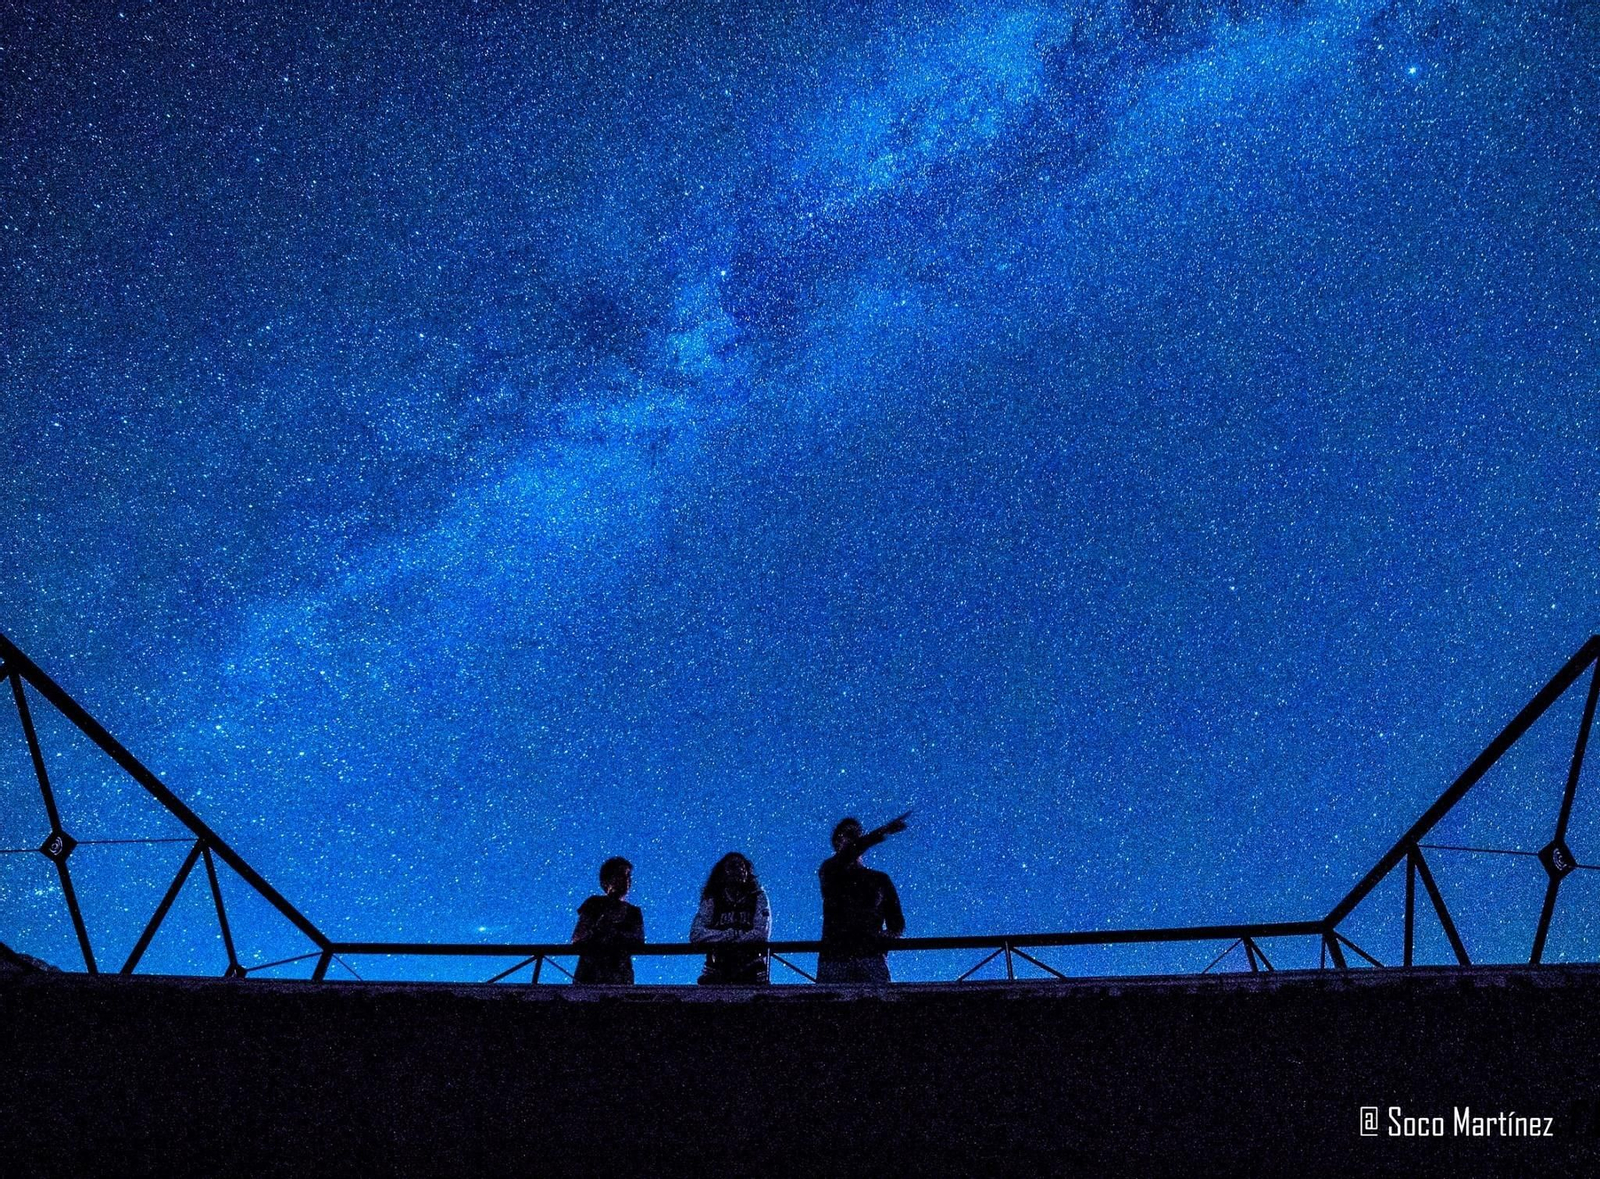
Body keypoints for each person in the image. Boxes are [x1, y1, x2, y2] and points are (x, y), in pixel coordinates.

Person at [817, 812, 908, 984]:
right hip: (834, 959)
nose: (855, 839)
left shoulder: (880, 879)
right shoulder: (829, 871)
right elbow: (850, 853)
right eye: (849, 834)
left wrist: (885, 937)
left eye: (858, 834)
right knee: (829, 1007)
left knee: (876, 1009)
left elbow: (897, 923)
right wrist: (883, 831)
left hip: (871, 959)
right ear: (837, 842)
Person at [689, 852, 772, 985]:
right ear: (723, 872)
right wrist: (727, 935)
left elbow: (761, 933)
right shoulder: (713, 900)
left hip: (752, 969)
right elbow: (696, 934)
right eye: (733, 866)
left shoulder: (758, 897)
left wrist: (734, 939)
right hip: (717, 969)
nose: (739, 870)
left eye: (742, 867)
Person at [571, 856, 644, 985]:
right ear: (607, 880)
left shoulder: (634, 912)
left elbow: (638, 940)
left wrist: (614, 934)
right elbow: (577, 937)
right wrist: (597, 929)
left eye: (628, 876)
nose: (626, 880)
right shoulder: (593, 904)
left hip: (620, 975)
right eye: (621, 875)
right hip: (590, 973)